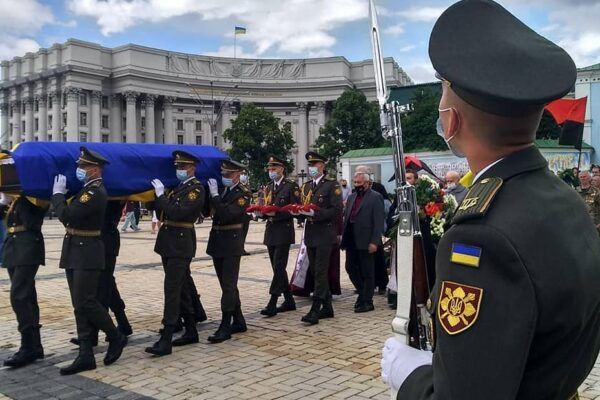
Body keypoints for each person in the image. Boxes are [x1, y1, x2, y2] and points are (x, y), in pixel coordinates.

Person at [381, 1, 600, 398]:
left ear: (452, 119)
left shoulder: (483, 237)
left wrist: (412, 378)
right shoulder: (563, 197)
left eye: (444, 92)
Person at [52, 147, 127, 375]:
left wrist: (57, 196)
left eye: (83, 166)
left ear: (95, 169)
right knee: (79, 304)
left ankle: (116, 336)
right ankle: (85, 354)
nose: (79, 170)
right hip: (76, 250)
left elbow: (68, 216)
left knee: (86, 301)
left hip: (87, 252)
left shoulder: (94, 192)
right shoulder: (85, 190)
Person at [145, 151, 205, 356]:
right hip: (168, 242)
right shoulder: (178, 187)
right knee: (182, 288)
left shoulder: (196, 189)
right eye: (177, 167)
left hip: (180, 243)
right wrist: (152, 196)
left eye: (183, 167)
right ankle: (191, 329)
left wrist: (161, 196)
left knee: (171, 289)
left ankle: (167, 337)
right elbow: (161, 210)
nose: (179, 170)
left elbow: (177, 213)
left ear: (192, 168)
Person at [206, 160, 252, 343]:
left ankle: (225, 325)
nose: (224, 177)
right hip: (218, 242)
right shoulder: (224, 191)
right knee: (226, 284)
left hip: (231, 244)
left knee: (228, 285)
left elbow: (226, 214)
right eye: (223, 174)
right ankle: (239, 319)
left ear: (237, 175)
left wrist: (215, 196)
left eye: (228, 175)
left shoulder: (243, 194)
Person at [0, 192, 47, 368]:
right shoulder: (17, 200)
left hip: (28, 247)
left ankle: (27, 346)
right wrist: (5, 201)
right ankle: (35, 345)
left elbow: (32, 222)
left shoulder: (35, 195)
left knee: (18, 296)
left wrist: (22, 196)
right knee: (27, 295)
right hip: (13, 247)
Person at [298, 152, 343, 325]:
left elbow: (336, 210)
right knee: (316, 272)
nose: (312, 168)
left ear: (322, 166)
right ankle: (327, 307)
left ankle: (316, 308)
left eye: (315, 165)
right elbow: (303, 206)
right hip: (311, 234)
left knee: (320, 271)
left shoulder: (332, 185)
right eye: (310, 165)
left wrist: (316, 213)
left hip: (325, 234)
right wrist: (299, 214)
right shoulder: (307, 186)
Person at [259, 155, 300, 317]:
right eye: (269, 169)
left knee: (278, 266)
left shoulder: (291, 186)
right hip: (270, 231)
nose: (271, 171)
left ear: (282, 169)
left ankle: (273, 301)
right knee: (277, 268)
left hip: (284, 230)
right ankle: (289, 299)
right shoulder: (268, 187)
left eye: (274, 169)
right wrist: (260, 213)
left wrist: (276, 212)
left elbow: (295, 209)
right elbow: (264, 206)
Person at [341, 171, 384, 313]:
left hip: (366, 239)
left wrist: (374, 242)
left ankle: (367, 301)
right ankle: (363, 293)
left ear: (366, 183)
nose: (356, 185)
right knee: (350, 267)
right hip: (351, 238)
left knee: (367, 271)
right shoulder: (352, 196)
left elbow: (378, 222)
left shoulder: (375, 197)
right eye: (355, 182)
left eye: (359, 183)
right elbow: (347, 217)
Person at [240, 170, 252, 256]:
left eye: (245, 174)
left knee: (244, 232)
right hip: (239, 214)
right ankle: (238, 248)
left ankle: (241, 248)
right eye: (242, 174)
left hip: (246, 215)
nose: (243, 176)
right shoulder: (239, 187)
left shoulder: (247, 187)